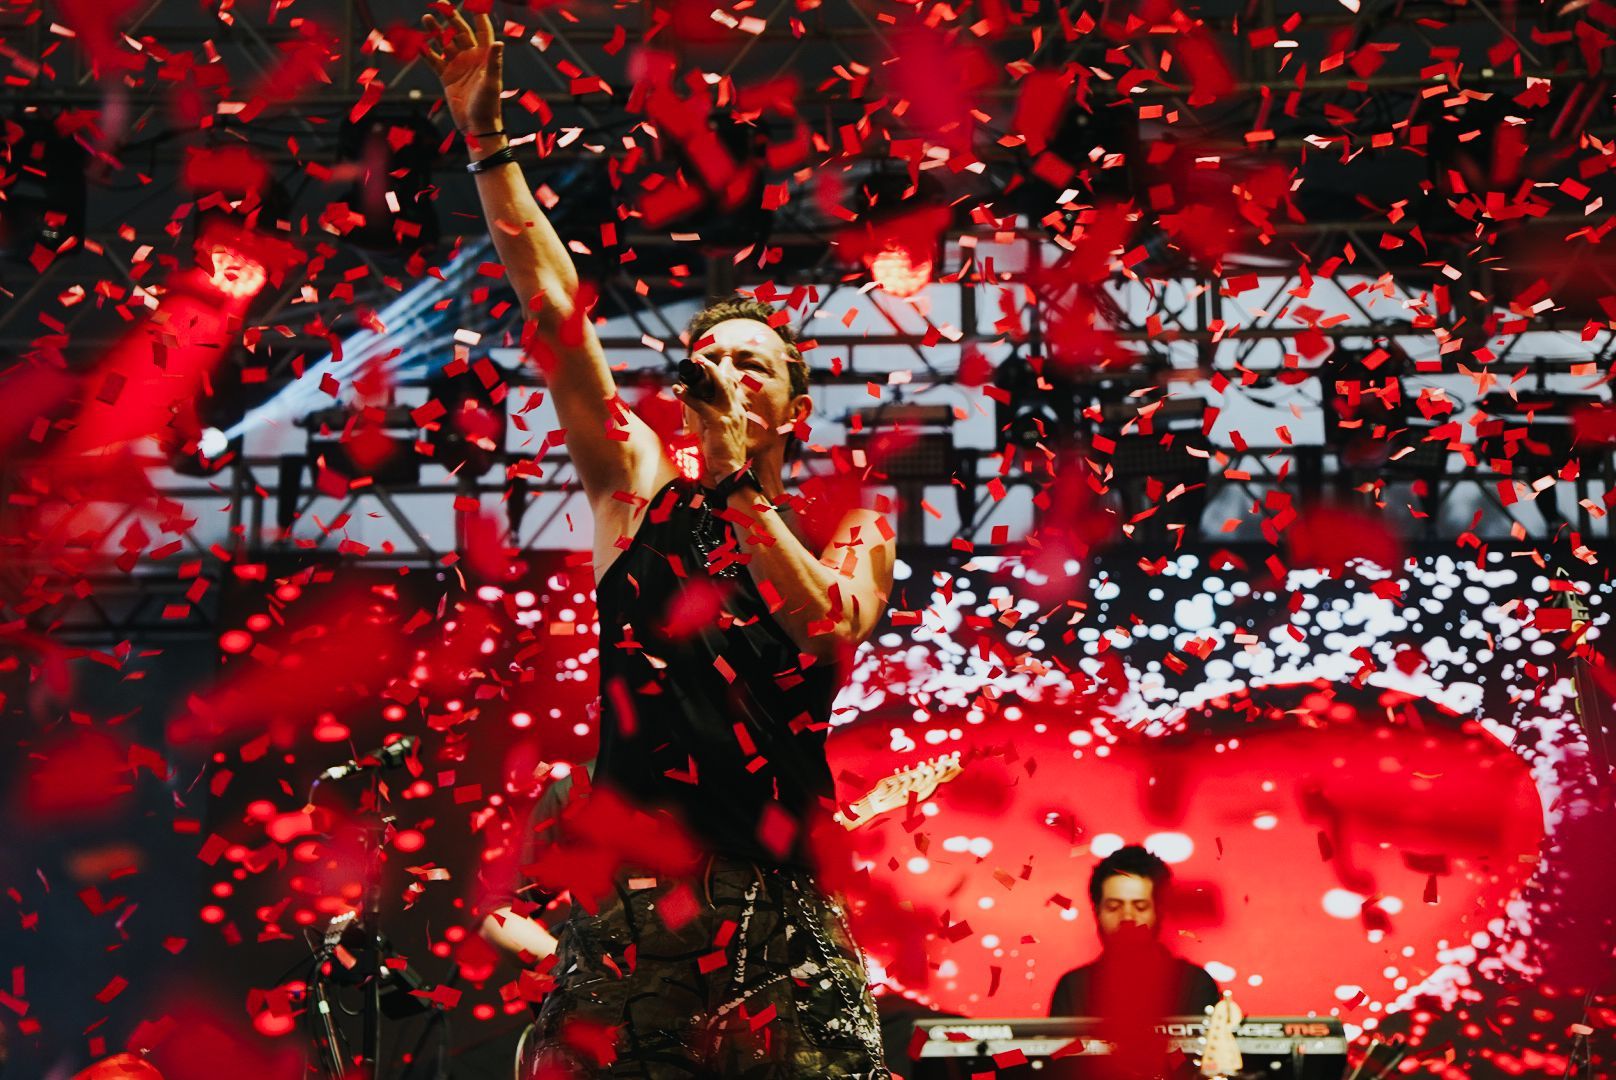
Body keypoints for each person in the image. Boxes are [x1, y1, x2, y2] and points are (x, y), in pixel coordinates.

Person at [420, 8, 896, 1077]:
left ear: (789, 411)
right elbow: (555, 311)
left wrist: (736, 484)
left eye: (752, 364)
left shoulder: (852, 524)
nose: (722, 372)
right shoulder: (637, 490)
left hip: (776, 925)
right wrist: (486, 140)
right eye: (707, 357)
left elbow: (830, 623)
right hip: (633, 926)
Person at [1047, 846, 1219, 1079]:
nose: (1127, 917)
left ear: (1159, 911)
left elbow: (1198, 1067)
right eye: (1114, 907)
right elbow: (1060, 1068)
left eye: (1140, 906)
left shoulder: (1194, 983)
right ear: (1096, 911)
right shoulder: (1073, 987)